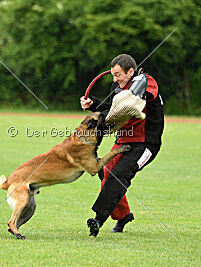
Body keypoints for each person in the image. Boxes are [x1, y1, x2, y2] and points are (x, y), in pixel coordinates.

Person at [80, 54, 164, 236]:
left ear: (131, 72)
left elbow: (135, 98)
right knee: (105, 173)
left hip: (145, 145)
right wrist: (92, 104)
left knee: (118, 176)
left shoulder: (147, 81)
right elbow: (112, 110)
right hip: (123, 142)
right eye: (113, 75)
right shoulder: (117, 88)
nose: (115, 79)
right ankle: (123, 216)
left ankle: (98, 219)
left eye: (118, 74)